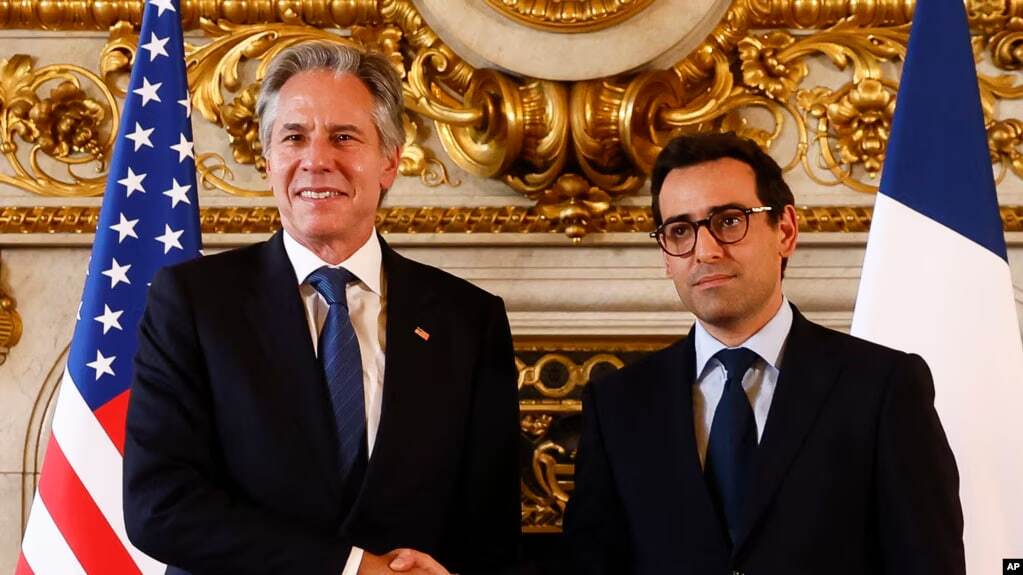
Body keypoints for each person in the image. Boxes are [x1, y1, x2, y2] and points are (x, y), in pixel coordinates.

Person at [123, 42, 520, 575]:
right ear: (268, 162)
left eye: (343, 137)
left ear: (389, 161)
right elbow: (160, 505)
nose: (316, 160)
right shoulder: (193, 302)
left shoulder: (468, 319)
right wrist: (351, 568)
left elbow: (492, 532)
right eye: (294, 137)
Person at [561, 133, 965, 574]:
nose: (705, 251)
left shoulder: (883, 386)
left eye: (729, 221)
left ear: (785, 231)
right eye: (679, 231)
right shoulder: (617, 404)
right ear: (666, 256)